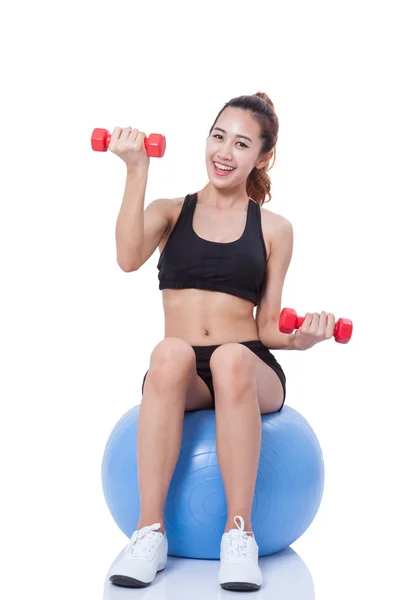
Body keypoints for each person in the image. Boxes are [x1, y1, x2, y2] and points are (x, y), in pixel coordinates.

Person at [107, 92, 336, 591]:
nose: (224, 152)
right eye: (218, 136)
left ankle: (239, 534)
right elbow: (127, 257)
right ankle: (149, 533)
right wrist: (136, 170)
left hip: (248, 366)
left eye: (241, 143)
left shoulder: (275, 228)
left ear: (263, 156)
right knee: (169, 352)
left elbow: (270, 325)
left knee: (232, 357)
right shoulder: (171, 212)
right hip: (185, 373)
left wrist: (303, 339)